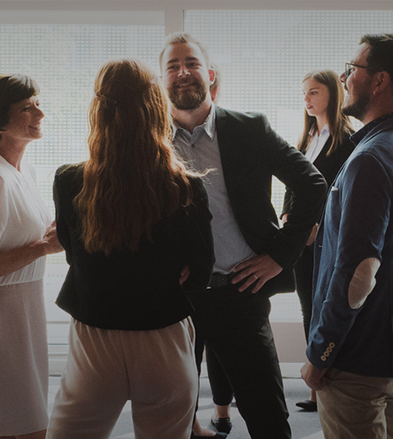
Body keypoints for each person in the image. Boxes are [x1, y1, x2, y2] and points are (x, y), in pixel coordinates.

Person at [161, 34, 329, 439]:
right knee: (167, 413)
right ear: (161, 81)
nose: (183, 72)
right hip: (173, 298)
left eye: (192, 63)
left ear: (210, 74)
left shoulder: (248, 128)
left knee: (267, 414)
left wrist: (278, 256)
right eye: (172, 66)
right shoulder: (150, 138)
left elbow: (312, 185)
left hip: (239, 289)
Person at [46, 59, 214, 439]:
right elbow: (201, 273)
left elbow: (75, 255)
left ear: (98, 112)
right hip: (164, 339)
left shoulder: (69, 181)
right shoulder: (186, 187)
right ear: (156, 110)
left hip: (95, 340)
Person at [302, 33, 393, 439]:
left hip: (358, 359)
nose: (346, 78)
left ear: (379, 80)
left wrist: (322, 351)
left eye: (353, 69)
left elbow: (359, 273)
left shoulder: (370, 159)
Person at [0, 73, 64, 439]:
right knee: (26, 426)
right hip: (1, 317)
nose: (39, 113)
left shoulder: (25, 171)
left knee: (21, 424)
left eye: (37, 103)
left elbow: (27, 233)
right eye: (26, 107)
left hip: (27, 307)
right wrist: (44, 248)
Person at [291, 68, 357, 413]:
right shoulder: (307, 137)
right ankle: (316, 385)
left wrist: (319, 223)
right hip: (301, 238)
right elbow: (296, 183)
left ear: (332, 94)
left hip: (327, 238)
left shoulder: (348, 139)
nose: (307, 99)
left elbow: (343, 191)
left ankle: (328, 381)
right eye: (304, 93)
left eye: (314, 92)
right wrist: (288, 216)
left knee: (326, 308)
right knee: (308, 309)